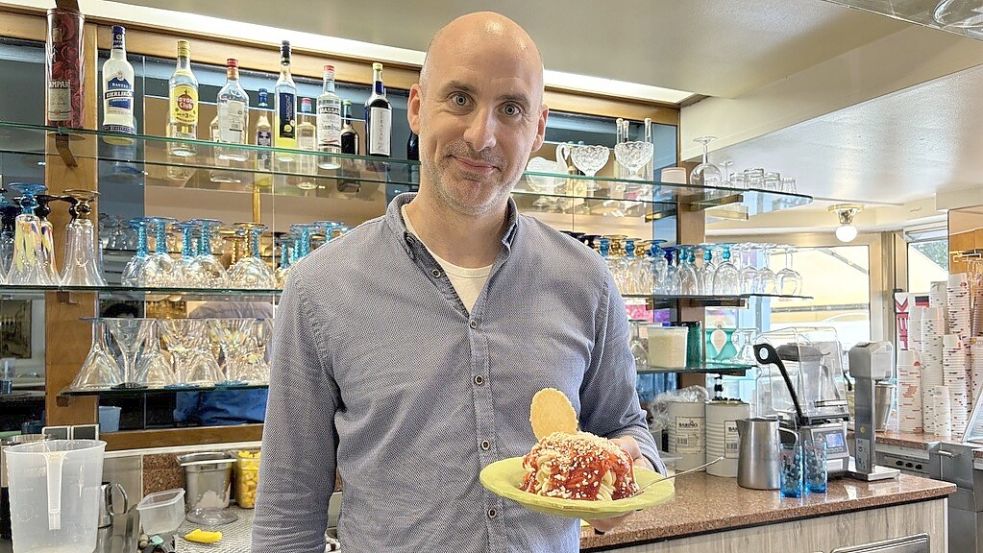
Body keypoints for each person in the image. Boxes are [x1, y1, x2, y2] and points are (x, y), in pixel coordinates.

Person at [252, 11, 663, 553]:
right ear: (418, 108)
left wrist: (628, 472)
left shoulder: (586, 280)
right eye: (461, 99)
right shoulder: (319, 288)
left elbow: (626, 427)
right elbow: (287, 514)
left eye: (511, 109)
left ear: (537, 130)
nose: (481, 136)